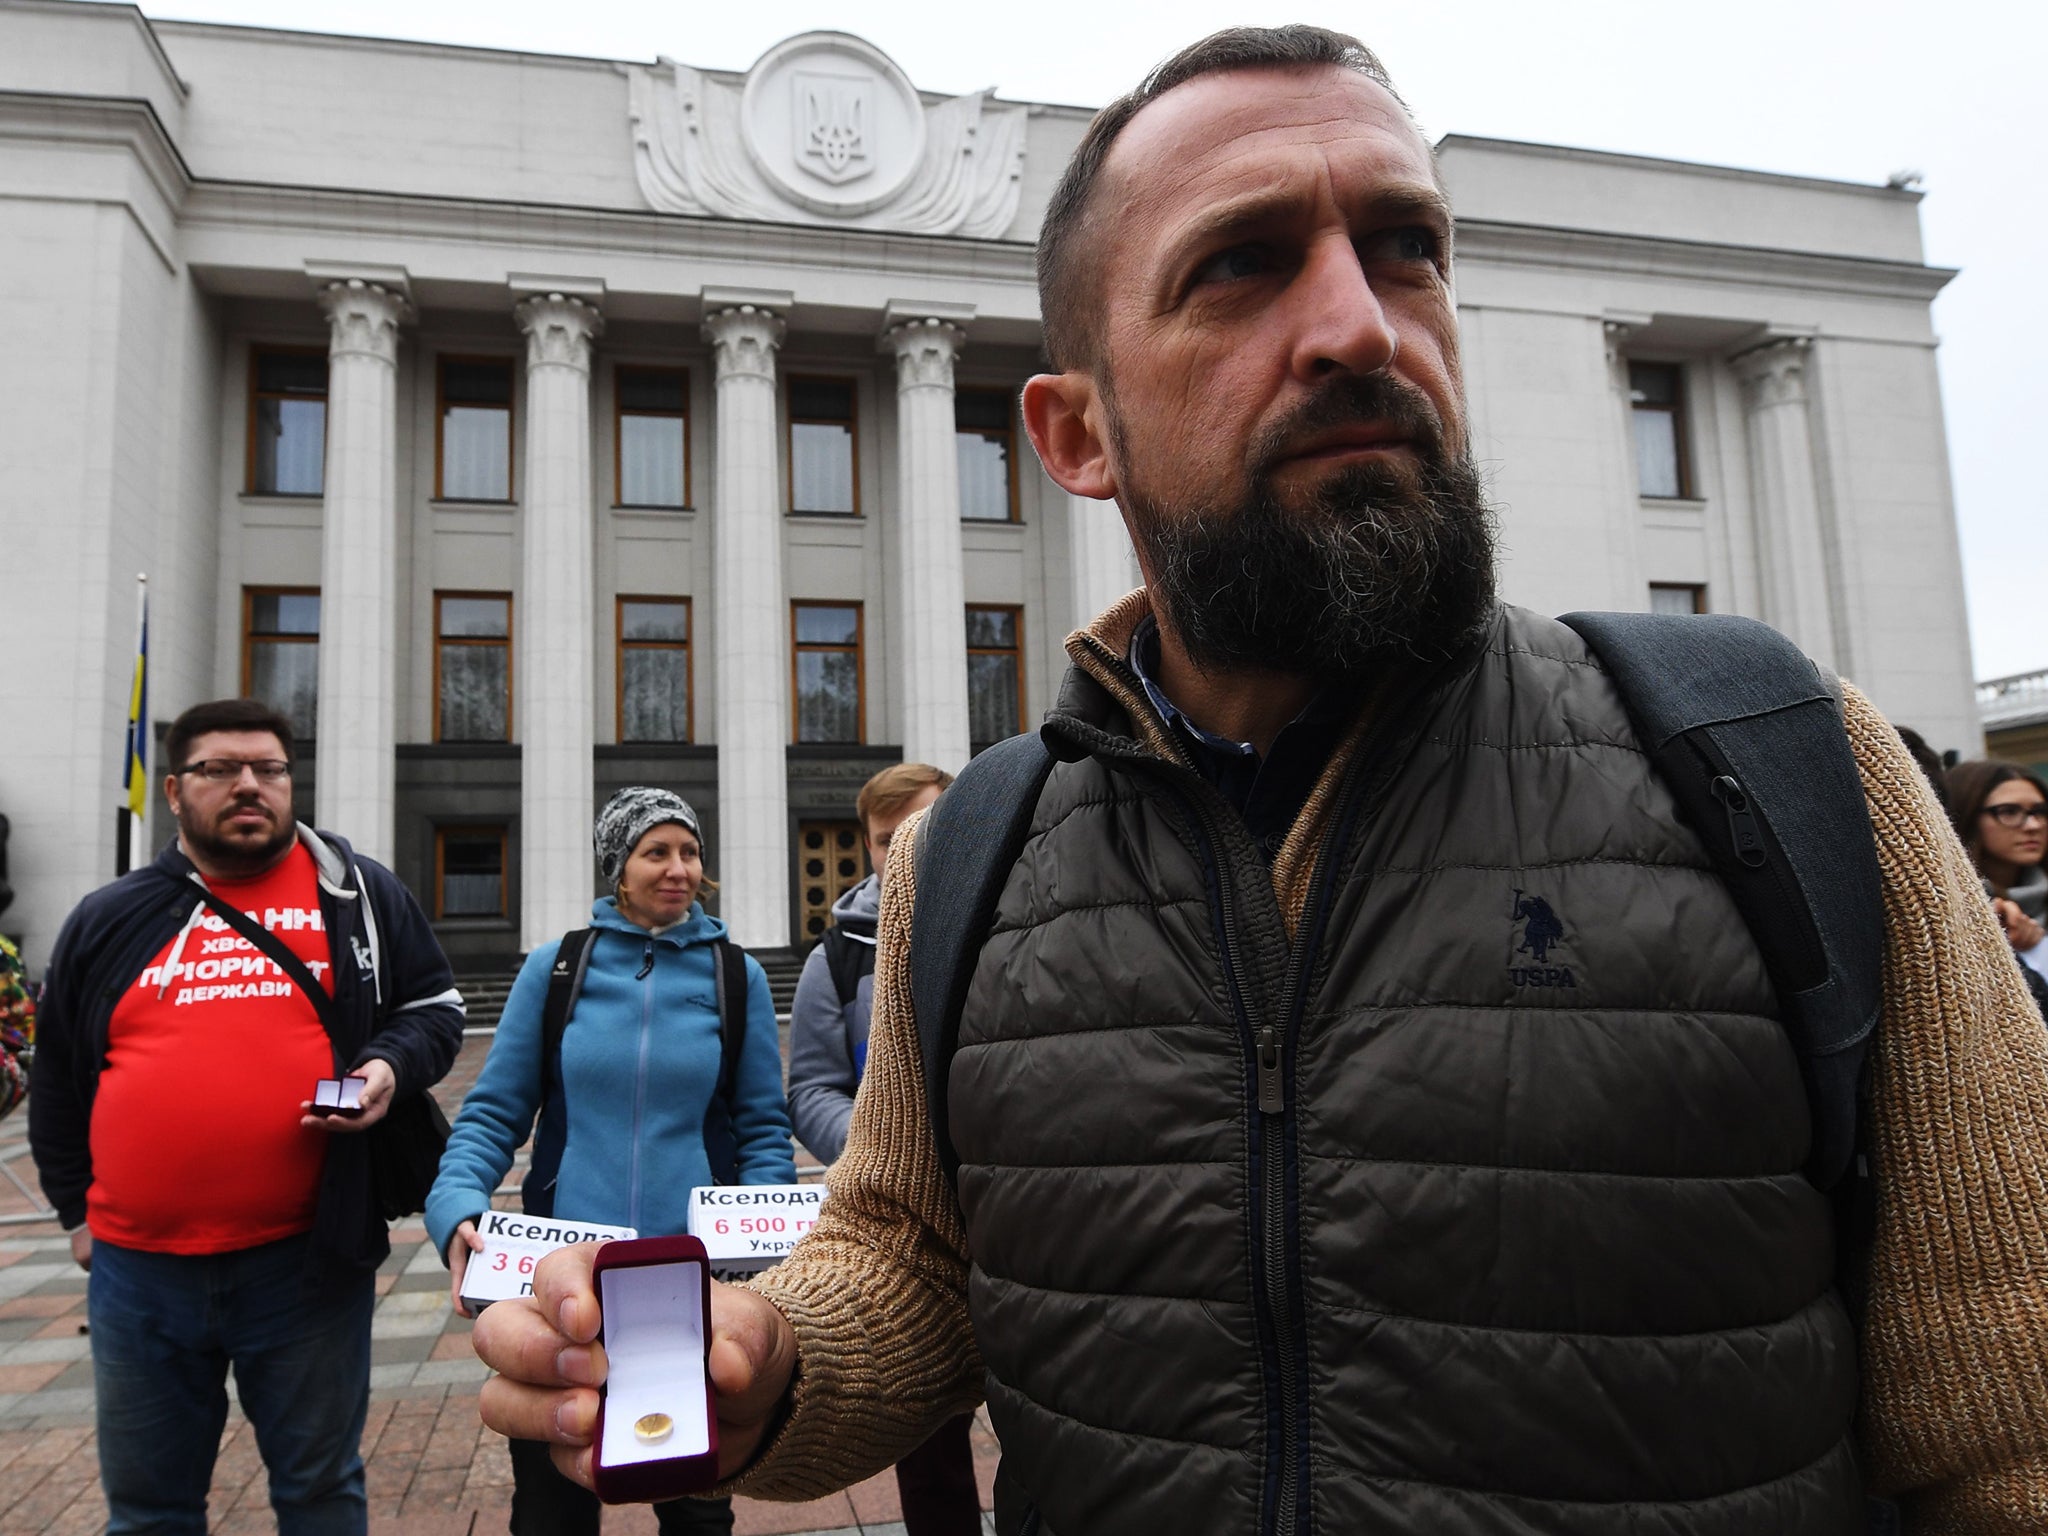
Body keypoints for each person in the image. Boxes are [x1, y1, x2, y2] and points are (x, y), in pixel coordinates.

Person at [472, 27, 2048, 1533]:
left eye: (1405, 247)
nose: (1362, 323)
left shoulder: (1772, 763)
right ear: (1075, 432)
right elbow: (911, 1252)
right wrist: (781, 1365)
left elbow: (2014, 1433)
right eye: (1243, 264)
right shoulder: (978, 852)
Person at [29, 697, 463, 1535]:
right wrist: (74, 1210)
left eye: (268, 769)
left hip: (305, 1265)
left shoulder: (355, 891)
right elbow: (59, 1080)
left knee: (320, 1489)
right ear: (174, 790)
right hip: (139, 1273)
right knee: (151, 1507)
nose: (249, 786)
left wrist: (385, 1067)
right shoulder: (111, 917)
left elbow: (436, 1009)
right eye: (220, 769)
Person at [427, 786, 795, 1535]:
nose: (679, 868)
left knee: (696, 1506)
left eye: (689, 851)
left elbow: (762, 1130)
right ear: (617, 868)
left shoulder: (737, 977)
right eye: (656, 852)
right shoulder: (557, 968)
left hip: (690, 1284)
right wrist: (457, 1205)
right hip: (564, 1285)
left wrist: (764, 1250)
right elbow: (494, 1111)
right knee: (551, 1507)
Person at [786, 762, 978, 1534]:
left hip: (1019, 1213)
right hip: (913, 1233)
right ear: (867, 848)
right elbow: (810, 1088)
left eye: (925, 828)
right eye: (887, 840)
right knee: (930, 1450)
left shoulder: (1008, 915)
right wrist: (880, 1149)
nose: (905, 851)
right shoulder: (838, 957)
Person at [1945, 759, 2048, 977]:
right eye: (2009, 811)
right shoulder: (1951, 906)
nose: (2034, 825)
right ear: (1968, 815)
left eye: (2040, 811)